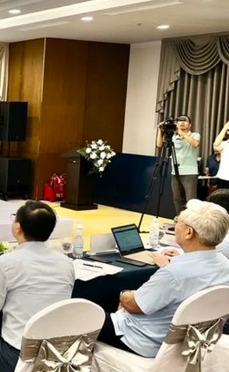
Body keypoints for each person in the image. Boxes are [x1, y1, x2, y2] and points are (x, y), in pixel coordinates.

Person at [98, 200, 229, 357]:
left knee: (84, 314)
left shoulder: (174, 273)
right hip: (189, 340)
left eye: (177, 221)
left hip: (142, 339)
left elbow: (133, 305)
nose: (174, 225)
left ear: (189, 232)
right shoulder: (224, 264)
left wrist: (124, 295)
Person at [0, 200, 75, 372]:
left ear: (17, 227)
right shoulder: (66, 263)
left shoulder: (5, 263)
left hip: (18, 357)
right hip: (58, 355)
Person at [156, 114, 201, 215]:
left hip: (189, 172)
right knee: (177, 199)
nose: (182, 122)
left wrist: (182, 133)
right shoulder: (173, 136)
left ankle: (192, 220)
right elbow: (159, 145)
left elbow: (195, 143)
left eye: (185, 120)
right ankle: (180, 218)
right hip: (175, 172)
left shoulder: (195, 135)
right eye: (180, 120)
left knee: (191, 200)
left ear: (190, 125)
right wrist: (160, 131)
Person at [212, 121, 229, 189]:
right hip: (223, 177)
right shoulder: (224, 144)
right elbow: (216, 145)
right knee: (222, 195)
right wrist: (225, 128)